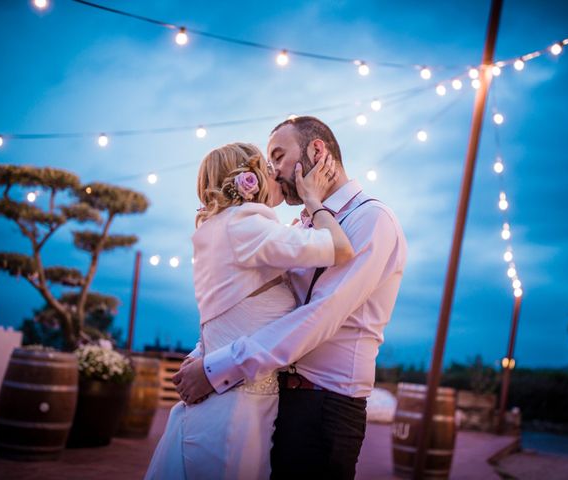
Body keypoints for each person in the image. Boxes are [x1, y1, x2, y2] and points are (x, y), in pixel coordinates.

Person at [175, 116, 407, 479]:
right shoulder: (301, 227)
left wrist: (216, 368)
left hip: (326, 405)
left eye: (278, 156)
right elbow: (252, 305)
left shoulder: (371, 220)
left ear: (316, 150)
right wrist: (203, 353)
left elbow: (318, 317)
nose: (272, 170)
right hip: (276, 395)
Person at [145, 142, 354, 480]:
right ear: (251, 179)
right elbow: (341, 248)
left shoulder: (220, 229)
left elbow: (231, 312)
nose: (278, 177)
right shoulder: (245, 225)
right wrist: (314, 201)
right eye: (270, 171)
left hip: (229, 401)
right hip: (233, 412)